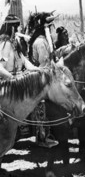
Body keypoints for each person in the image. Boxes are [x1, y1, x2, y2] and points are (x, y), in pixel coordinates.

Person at [27, 11, 59, 148]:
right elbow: (44, 63)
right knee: (42, 108)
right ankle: (42, 138)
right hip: (40, 78)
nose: (52, 30)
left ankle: (47, 135)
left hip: (44, 76)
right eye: (50, 27)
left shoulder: (42, 40)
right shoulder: (41, 42)